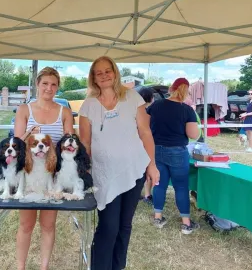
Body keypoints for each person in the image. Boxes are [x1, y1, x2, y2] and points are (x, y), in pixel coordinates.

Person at [79, 56, 159, 270]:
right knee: (109, 226)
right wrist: (83, 172)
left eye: (108, 71)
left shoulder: (132, 97)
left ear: (115, 72)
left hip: (135, 169)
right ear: (93, 78)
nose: (104, 75)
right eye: (99, 72)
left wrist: (152, 165)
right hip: (104, 174)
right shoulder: (88, 105)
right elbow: (85, 142)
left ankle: (118, 266)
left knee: (124, 225)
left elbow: (145, 132)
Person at [13, 67, 74, 270]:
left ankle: (44, 267)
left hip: (53, 176)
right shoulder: (24, 110)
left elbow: (69, 144)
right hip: (29, 175)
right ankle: (20, 266)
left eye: (53, 84)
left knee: (48, 225)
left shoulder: (64, 112)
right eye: (45, 83)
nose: (49, 88)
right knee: (26, 225)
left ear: (57, 87)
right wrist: (30, 134)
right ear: (37, 85)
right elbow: (17, 145)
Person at [147, 77, 200, 234]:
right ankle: (186, 223)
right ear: (186, 91)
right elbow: (193, 134)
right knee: (181, 187)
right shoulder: (187, 110)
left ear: (171, 88)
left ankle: (158, 217)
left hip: (156, 150)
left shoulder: (156, 105)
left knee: (159, 184)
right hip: (178, 151)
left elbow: (146, 127)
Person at [138, 87, 155, 205]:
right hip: (146, 144)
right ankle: (148, 195)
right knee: (147, 169)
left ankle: (137, 193)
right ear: (151, 98)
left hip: (135, 145)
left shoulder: (134, 110)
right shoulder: (150, 112)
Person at [239, 86, 252, 152]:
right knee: (249, 134)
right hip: (249, 118)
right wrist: (244, 114)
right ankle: (251, 147)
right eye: (249, 93)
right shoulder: (251, 101)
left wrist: (246, 114)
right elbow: (250, 111)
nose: (250, 95)